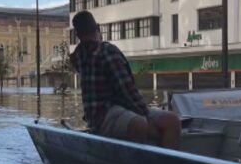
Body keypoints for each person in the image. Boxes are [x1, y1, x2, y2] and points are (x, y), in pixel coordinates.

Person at [70, 11, 181, 149]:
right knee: (168, 121)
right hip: (106, 113)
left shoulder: (78, 56)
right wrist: (146, 116)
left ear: (78, 35)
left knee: (148, 122)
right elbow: (127, 90)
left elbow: (79, 56)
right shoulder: (107, 52)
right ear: (98, 28)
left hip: (99, 116)